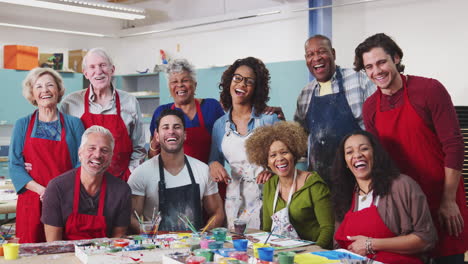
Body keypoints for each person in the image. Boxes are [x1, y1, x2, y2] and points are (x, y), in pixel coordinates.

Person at [355, 33, 468, 263]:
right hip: (404, 208)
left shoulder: (429, 90)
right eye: (369, 67)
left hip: (441, 198)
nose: (376, 71)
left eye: (381, 62)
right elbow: (379, 161)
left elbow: (454, 146)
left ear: (396, 58)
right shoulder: (370, 108)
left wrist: (448, 200)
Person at [332, 131, 437, 264]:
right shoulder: (343, 196)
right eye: (349, 152)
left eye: (364, 149)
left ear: (375, 154)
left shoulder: (402, 185)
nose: (357, 155)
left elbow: (426, 239)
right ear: (345, 162)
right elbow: (337, 246)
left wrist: (371, 244)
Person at [8, 67, 84, 243]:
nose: (45, 90)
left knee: (64, 251)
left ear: (58, 90)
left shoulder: (74, 124)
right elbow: (15, 166)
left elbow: (82, 163)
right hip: (33, 200)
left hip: (66, 199)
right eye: (39, 86)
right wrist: (43, 191)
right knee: (31, 253)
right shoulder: (22, 124)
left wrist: (58, 191)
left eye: (50, 85)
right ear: (32, 94)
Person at [209, 57, 280, 230]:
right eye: (237, 78)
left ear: (256, 88)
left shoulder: (268, 120)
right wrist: (214, 165)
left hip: (265, 195)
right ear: (229, 82)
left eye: (249, 81)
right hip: (234, 199)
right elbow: (213, 159)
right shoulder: (219, 125)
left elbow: (285, 156)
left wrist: (271, 170)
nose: (241, 84)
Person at [294, 35, 376, 184]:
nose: (316, 58)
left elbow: (379, 127)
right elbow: (300, 142)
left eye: (321, 52)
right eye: (310, 54)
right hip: (320, 181)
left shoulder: (359, 80)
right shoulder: (305, 94)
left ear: (333, 53)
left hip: (359, 176)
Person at [129, 109, 224, 232]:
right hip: (158, 247)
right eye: (165, 127)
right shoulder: (141, 174)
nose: (171, 131)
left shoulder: (203, 170)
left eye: (177, 127)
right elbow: (130, 217)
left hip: (194, 246)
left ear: (185, 134)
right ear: (157, 136)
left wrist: (202, 235)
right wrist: (150, 234)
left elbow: (217, 212)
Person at [60, 48, 145, 181]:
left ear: (112, 70)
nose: (98, 71)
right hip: (82, 184)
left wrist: (130, 175)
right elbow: (61, 146)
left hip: (121, 182)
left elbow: (139, 148)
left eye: (103, 65)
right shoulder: (71, 103)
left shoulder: (130, 102)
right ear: (85, 73)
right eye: (92, 67)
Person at [245, 121, 334, 249]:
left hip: (314, 254)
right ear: (267, 162)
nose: (280, 158)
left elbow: (327, 229)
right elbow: (266, 228)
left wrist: (311, 253)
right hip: (282, 254)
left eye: (284, 152)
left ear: (294, 154)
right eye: (273, 155)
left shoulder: (314, 185)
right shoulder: (270, 185)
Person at [42, 125, 131, 241]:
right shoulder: (57, 188)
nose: (97, 155)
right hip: (65, 256)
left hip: (105, 256)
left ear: (111, 157)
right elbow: (53, 244)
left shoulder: (121, 191)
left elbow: (117, 241)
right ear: (80, 152)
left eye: (104, 150)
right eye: (91, 148)